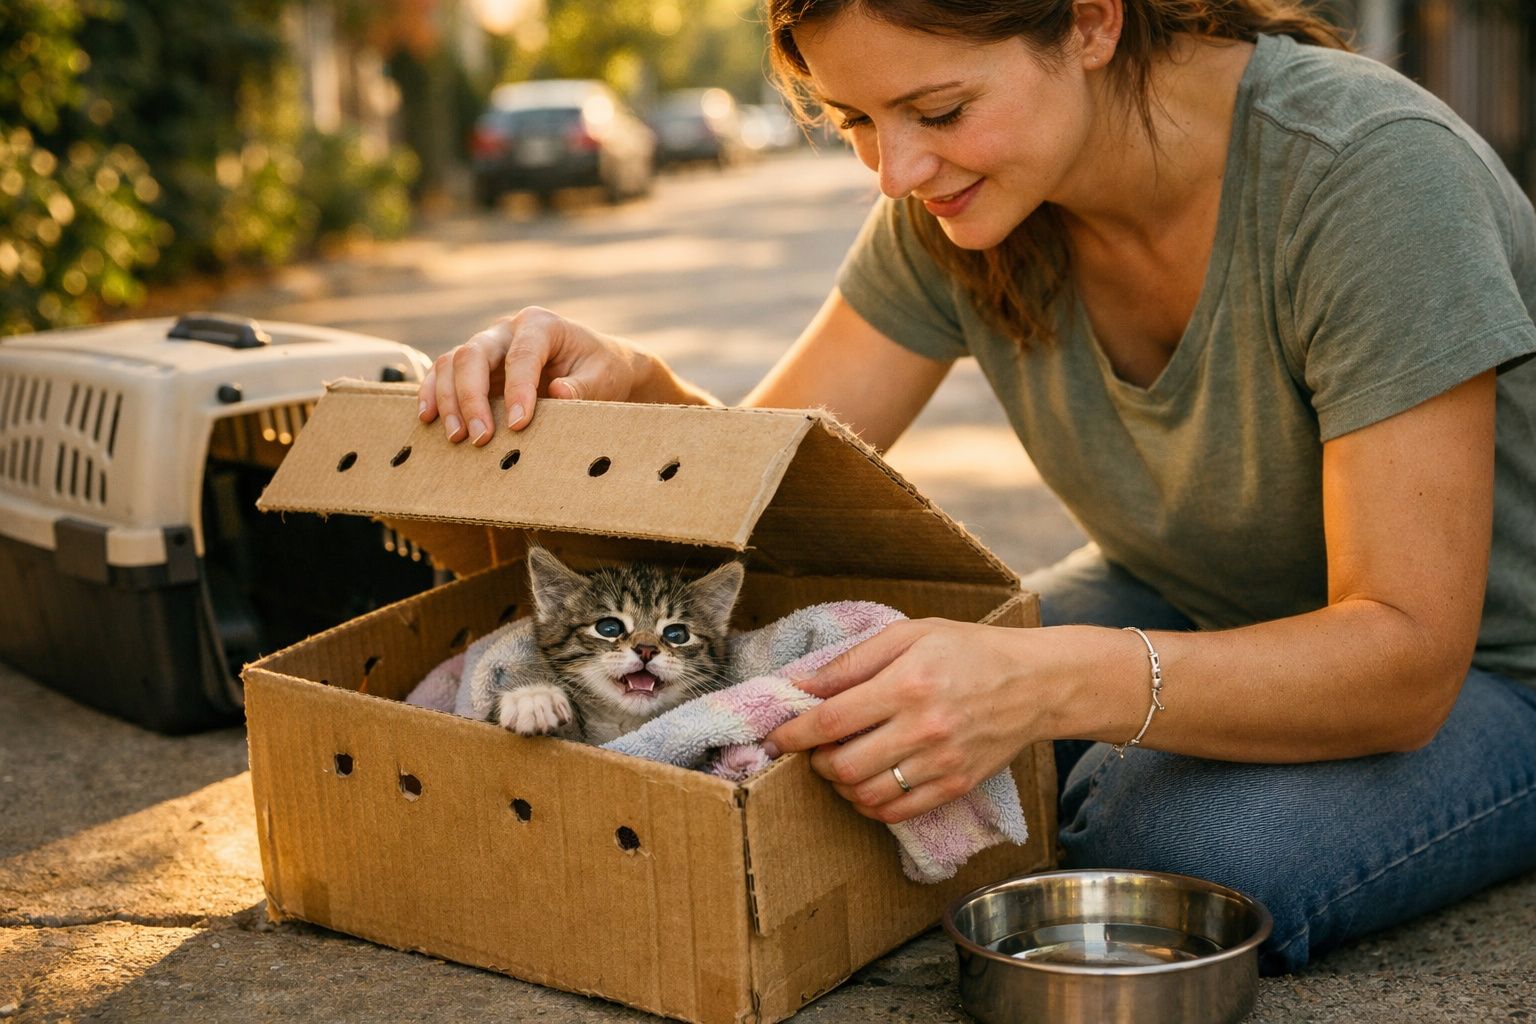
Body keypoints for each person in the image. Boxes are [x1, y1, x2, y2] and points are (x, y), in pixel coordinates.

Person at [419, 0, 1536, 974]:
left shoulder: (1368, 173)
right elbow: (774, 488)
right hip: (1195, 593)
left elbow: (1404, 658)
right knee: (848, 700)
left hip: (1482, 666)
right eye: (856, 121)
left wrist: (1050, 688)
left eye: (940, 111)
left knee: (1178, 851)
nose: (896, 173)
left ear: (1091, 19)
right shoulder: (958, 208)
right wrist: (637, 386)